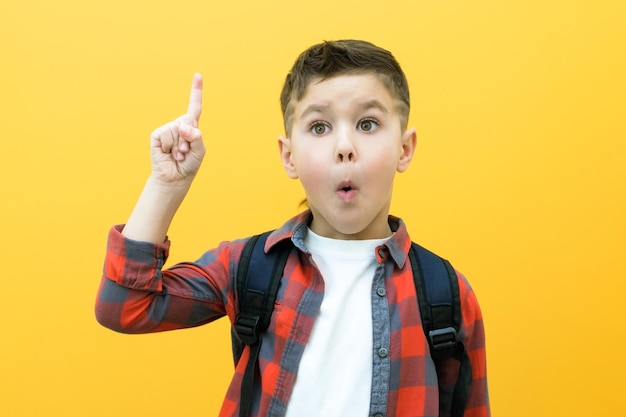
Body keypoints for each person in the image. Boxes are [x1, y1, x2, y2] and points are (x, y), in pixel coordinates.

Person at [96, 39, 490, 417]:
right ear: (289, 157)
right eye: (319, 127)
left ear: (404, 149)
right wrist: (167, 185)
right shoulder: (250, 266)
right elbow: (126, 307)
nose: (344, 146)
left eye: (368, 124)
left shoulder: (446, 293)